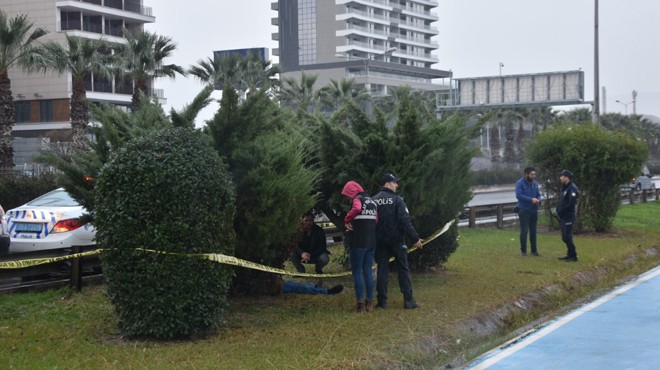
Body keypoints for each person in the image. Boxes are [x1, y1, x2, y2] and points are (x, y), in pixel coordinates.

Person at [372, 173, 423, 310]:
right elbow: (405, 221)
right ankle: (408, 300)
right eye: (394, 182)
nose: (397, 185)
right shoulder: (398, 200)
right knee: (403, 269)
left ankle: (382, 302)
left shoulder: (373, 200)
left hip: (379, 240)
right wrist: (416, 238)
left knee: (382, 269)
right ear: (387, 184)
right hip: (396, 240)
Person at [341, 180, 378, 313]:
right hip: (371, 241)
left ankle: (360, 305)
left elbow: (356, 208)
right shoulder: (372, 202)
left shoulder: (358, 199)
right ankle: (370, 303)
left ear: (352, 191)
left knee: (357, 271)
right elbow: (376, 219)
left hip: (359, 241)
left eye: (347, 194)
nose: (348, 198)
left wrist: (347, 219)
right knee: (367, 270)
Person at [290, 213, 330, 285]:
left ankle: (318, 268)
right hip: (301, 255)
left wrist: (310, 255)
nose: (308, 223)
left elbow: (322, 247)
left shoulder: (319, 231)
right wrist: (302, 253)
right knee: (291, 254)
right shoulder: (298, 231)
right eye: (306, 220)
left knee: (325, 258)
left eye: (310, 220)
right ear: (302, 221)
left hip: (315, 255)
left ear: (313, 221)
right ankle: (301, 270)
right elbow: (294, 245)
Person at [515, 166, 542, 256]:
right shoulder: (520, 183)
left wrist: (538, 199)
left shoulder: (535, 184)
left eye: (534, 174)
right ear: (526, 174)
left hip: (533, 210)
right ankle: (523, 251)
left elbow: (538, 194)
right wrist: (531, 200)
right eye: (532, 174)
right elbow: (519, 195)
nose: (534, 176)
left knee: (533, 231)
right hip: (524, 210)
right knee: (524, 231)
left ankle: (534, 251)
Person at [556, 170, 579, 262]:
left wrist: (562, 209)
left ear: (566, 177)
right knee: (564, 237)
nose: (560, 178)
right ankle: (569, 254)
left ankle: (573, 256)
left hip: (568, 216)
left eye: (562, 176)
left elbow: (571, 203)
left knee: (567, 236)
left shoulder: (572, 188)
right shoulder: (565, 187)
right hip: (563, 216)